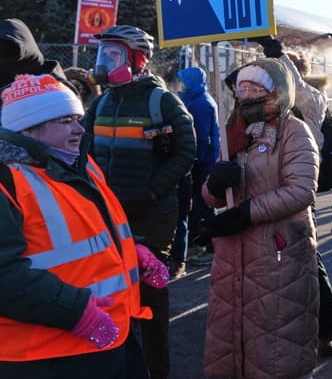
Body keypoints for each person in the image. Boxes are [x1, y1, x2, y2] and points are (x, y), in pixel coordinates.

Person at [0, 74, 168, 378]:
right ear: (27, 128)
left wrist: (133, 249)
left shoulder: (79, 164)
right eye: (65, 121)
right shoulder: (7, 181)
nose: (79, 129)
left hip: (111, 335)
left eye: (77, 119)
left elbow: (93, 230)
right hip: (47, 358)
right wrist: (76, 312)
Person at [81, 25, 196, 379]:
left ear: (138, 60)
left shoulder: (161, 102)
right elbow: (81, 152)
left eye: (113, 55)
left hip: (152, 215)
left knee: (150, 297)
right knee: (112, 294)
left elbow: (187, 151)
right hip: (108, 217)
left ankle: (156, 371)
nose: (104, 63)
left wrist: (153, 188)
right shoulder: (100, 103)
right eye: (103, 55)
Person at [199, 58, 320, 378]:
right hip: (232, 256)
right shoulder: (233, 131)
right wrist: (214, 185)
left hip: (277, 254)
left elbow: (301, 190)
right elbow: (210, 196)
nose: (247, 94)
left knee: (276, 345)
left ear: (275, 91)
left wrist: (246, 214)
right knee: (233, 341)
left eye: (255, 87)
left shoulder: (294, 130)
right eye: (242, 88)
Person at [171, 67, 220, 277]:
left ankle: (211, 248)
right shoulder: (195, 98)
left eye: (183, 81)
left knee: (204, 204)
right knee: (197, 205)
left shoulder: (201, 104)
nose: (179, 85)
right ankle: (198, 243)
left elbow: (201, 138)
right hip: (200, 160)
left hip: (202, 162)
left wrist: (194, 159)